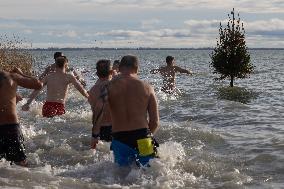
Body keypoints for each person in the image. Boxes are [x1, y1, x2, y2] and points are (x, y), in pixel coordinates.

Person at [93, 55, 159, 167]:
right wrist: (147, 137)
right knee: (149, 173)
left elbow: (98, 109)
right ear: (137, 69)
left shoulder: (108, 86)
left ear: (119, 68)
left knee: (121, 175)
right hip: (142, 136)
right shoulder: (147, 87)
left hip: (120, 139)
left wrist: (94, 135)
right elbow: (155, 121)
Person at [0, 68, 43, 166]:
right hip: (10, 127)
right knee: (21, 164)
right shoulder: (11, 76)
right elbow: (38, 84)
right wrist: (22, 74)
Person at [23, 57, 89, 118]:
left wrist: (28, 103)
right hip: (59, 107)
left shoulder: (48, 77)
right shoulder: (69, 77)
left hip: (47, 106)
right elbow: (81, 89)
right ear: (66, 65)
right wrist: (89, 97)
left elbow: (37, 90)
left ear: (55, 65)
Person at [88, 59, 113, 148]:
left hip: (99, 130)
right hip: (117, 128)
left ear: (97, 74)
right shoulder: (118, 87)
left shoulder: (92, 91)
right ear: (111, 72)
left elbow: (95, 112)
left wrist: (94, 135)